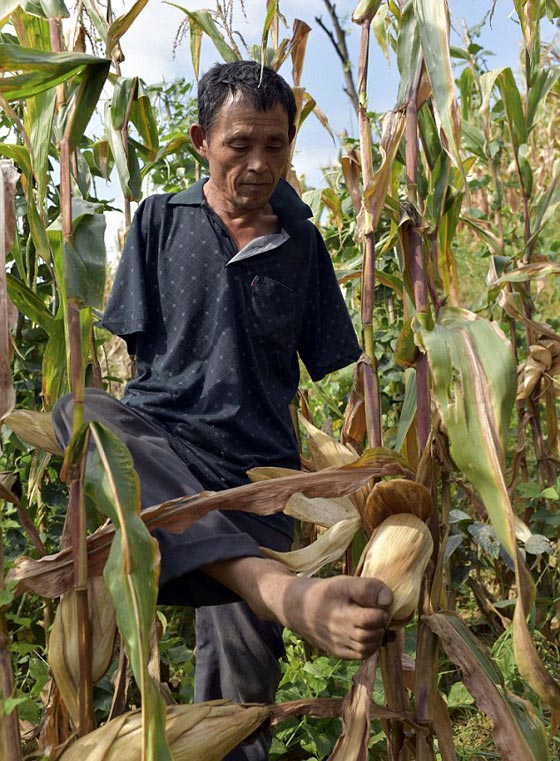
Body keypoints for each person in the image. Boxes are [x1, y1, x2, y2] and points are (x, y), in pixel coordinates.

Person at [53, 60, 392, 760]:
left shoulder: (303, 244)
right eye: (240, 144)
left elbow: (329, 359)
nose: (259, 164)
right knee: (81, 412)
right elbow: (139, 364)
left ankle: (257, 584)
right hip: (164, 467)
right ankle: (276, 588)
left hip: (255, 479)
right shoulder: (158, 220)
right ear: (201, 140)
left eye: (276, 145)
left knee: (238, 711)